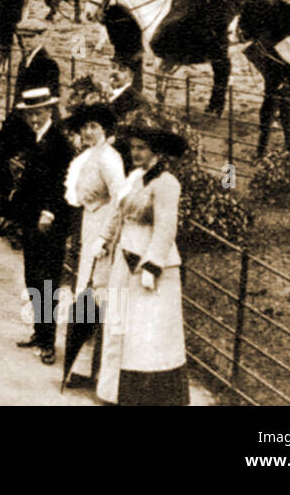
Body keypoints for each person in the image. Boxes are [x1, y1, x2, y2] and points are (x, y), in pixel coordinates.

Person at [95, 121, 190, 405]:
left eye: (142, 148)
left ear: (156, 152)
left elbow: (165, 227)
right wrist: (104, 238)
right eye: (133, 147)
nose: (135, 152)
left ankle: (151, 396)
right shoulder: (134, 177)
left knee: (148, 332)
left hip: (151, 268)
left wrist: (153, 265)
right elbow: (118, 212)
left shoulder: (167, 183)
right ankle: (115, 392)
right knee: (119, 323)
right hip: (125, 259)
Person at [0, 87, 75, 364]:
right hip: (32, 218)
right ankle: (39, 332)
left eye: (39, 112)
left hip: (50, 221)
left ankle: (48, 342)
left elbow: (63, 184)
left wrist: (50, 212)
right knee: (33, 278)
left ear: (49, 111)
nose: (34, 118)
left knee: (48, 281)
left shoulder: (60, 143)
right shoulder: (36, 138)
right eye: (30, 114)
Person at [62, 102, 127, 388]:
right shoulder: (90, 155)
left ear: (105, 130)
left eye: (94, 127)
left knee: (95, 296)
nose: (88, 132)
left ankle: (93, 370)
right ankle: (80, 366)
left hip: (103, 233)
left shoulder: (109, 159)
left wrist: (106, 239)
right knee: (84, 295)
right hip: (90, 225)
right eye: (85, 127)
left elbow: (120, 198)